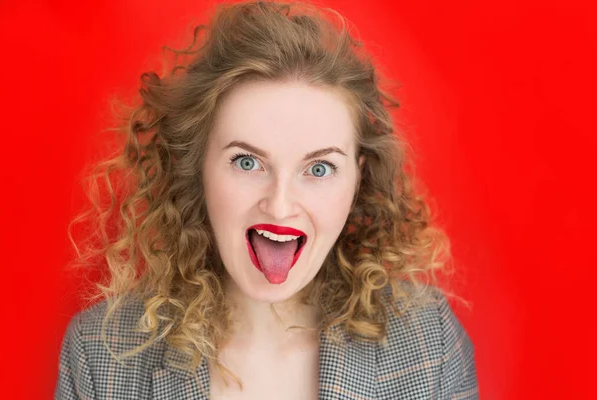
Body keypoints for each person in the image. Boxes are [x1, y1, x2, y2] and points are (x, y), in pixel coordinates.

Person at [55, 1, 478, 399]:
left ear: (358, 180)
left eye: (318, 169)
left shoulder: (429, 343)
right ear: (197, 167)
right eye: (246, 162)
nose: (279, 207)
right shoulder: (100, 354)